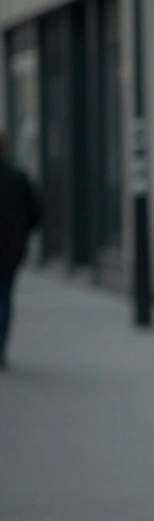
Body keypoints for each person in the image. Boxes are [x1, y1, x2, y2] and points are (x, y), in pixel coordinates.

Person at [0, 132, 43, 370]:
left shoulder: (18, 179)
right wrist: (22, 234)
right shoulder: (17, 178)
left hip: (10, 248)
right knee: (4, 298)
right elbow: (37, 212)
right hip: (9, 250)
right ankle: (0, 345)